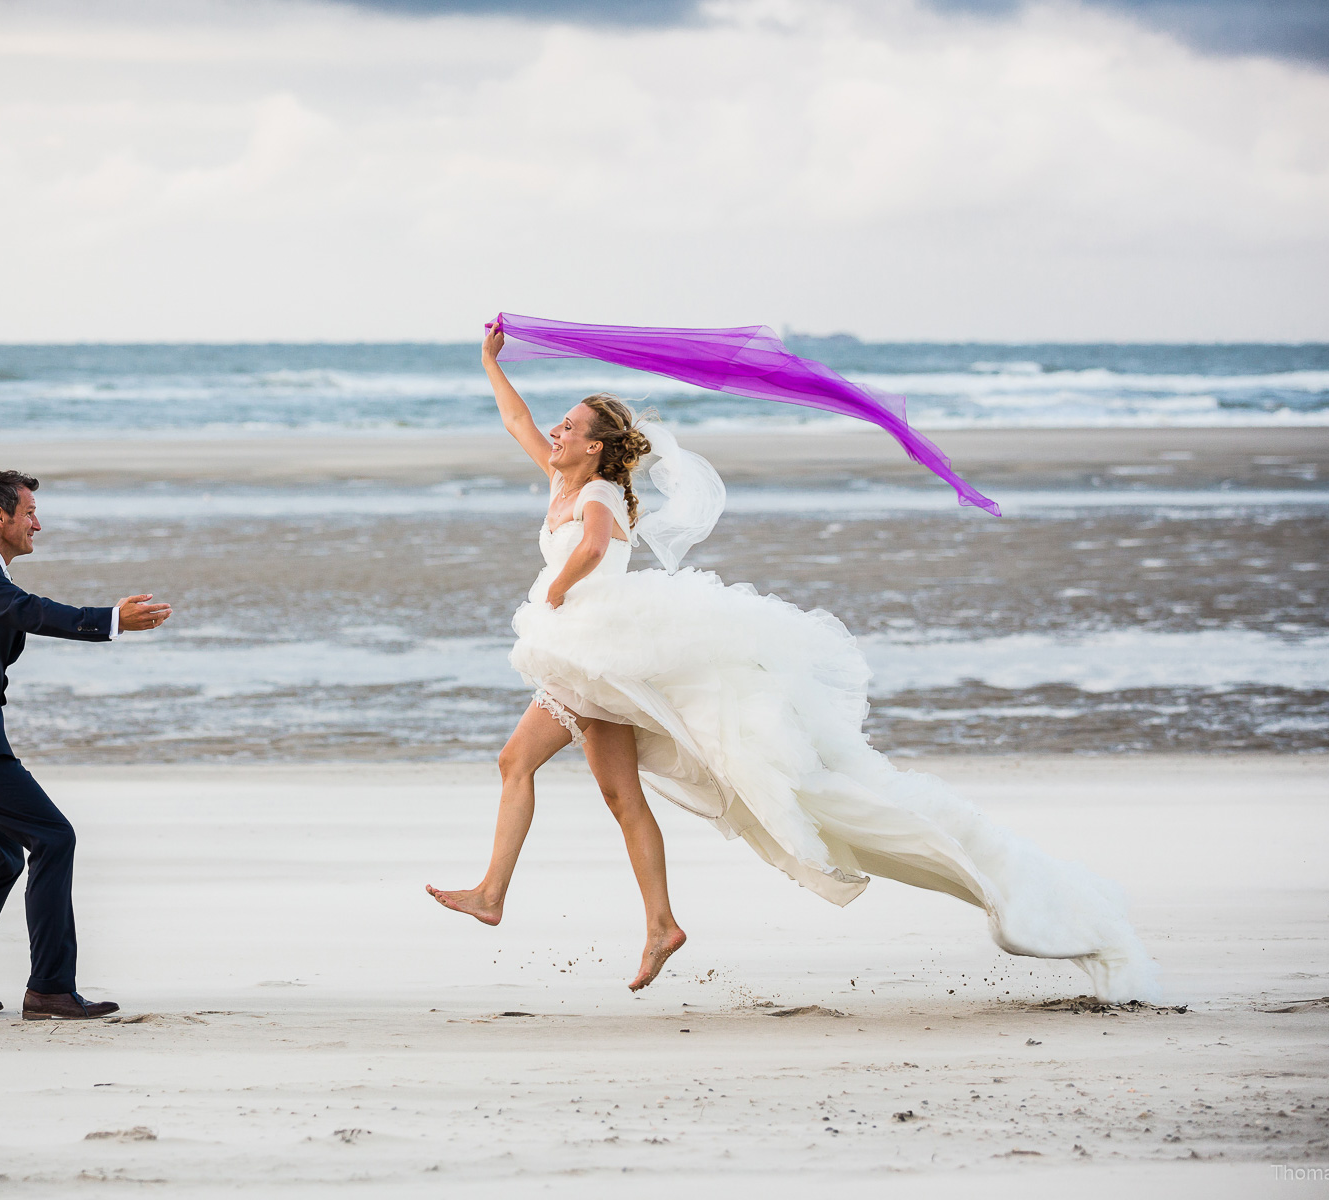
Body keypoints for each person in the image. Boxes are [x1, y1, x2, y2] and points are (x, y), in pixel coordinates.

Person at [428, 325, 1159, 1003]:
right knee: (619, 799)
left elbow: (590, 549)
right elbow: (516, 423)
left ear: (593, 448)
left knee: (516, 762)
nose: (553, 432)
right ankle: (658, 924)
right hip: (601, 659)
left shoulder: (595, 496)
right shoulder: (564, 478)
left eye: (569, 428)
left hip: (593, 652)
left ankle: (497, 894)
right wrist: (490, 363)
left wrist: (554, 591)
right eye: (558, 426)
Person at [0, 469, 171, 1020]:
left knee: (1, 858)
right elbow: (29, 612)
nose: (37, 524)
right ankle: (49, 989)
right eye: (29, 514)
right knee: (54, 838)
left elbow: (8, 621)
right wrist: (109, 621)